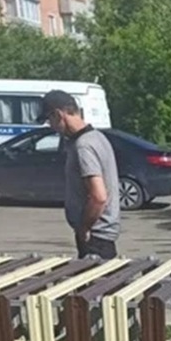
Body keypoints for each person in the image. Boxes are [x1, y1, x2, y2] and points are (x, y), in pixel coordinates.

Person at [39, 89, 121, 259]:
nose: (51, 126)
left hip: (95, 238)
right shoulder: (98, 137)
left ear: (58, 114)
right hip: (101, 237)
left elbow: (99, 197)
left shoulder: (84, 146)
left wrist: (84, 228)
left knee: (95, 285)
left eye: (49, 120)